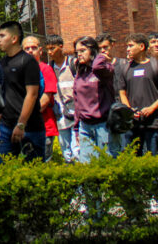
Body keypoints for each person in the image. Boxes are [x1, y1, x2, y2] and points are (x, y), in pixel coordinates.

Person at [117, 33, 158, 156]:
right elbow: (122, 92)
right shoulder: (125, 68)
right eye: (127, 46)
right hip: (133, 123)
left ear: (141, 46)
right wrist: (129, 110)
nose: (127, 49)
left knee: (154, 158)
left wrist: (152, 107)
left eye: (131, 46)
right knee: (131, 159)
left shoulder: (156, 66)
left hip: (153, 123)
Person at [0, 21, 44, 162]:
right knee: (1, 170)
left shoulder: (28, 62)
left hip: (30, 128)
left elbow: (32, 94)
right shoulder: (1, 63)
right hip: (6, 128)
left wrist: (21, 124)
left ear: (14, 39)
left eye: (2, 36)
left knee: (33, 174)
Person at [73, 36, 121, 162]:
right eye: (77, 51)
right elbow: (77, 101)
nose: (79, 54)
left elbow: (98, 67)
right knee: (86, 164)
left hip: (103, 124)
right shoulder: (80, 72)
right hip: (85, 125)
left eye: (83, 50)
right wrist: (77, 127)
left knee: (108, 162)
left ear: (93, 50)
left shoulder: (103, 69)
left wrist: (99, 55)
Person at [22, 34, 60, 162]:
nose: (30, 51)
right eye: (27, 48)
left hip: (44, 128)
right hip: (24, 129)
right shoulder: (20, 71)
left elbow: (46, 98)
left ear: (40, 50)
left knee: (42, 166)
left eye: (33, 47)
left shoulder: (46, 69)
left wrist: (26, 116)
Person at [47, 34, 79, 162]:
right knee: (66, 150)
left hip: (76, 114)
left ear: (61, 47)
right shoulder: (49, 68)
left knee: (77, 150)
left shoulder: (73, 64)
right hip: (60, 116)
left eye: (52, 48)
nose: (50, 52)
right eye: (48, 49)